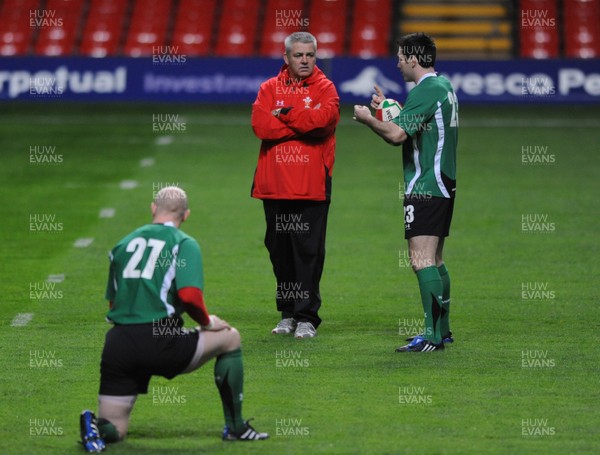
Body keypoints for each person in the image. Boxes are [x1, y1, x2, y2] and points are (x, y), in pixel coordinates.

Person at [79, 187, 268, 453]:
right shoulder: (183, 243)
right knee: (231, 338)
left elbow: (114, 303)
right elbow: (190, 296)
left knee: (116, 430)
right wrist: (207, 322)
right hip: (161, 340)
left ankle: (94, 425)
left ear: (153, 208)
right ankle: (236, 427)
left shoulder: (121, 245)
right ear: (186, 215)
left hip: (118, 344)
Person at [353, 33, 458, 353]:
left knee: (420, 259)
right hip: (442, 183)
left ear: (413, 59)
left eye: (400, 56)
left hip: (426, 186)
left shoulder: (427, 90)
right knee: (435, 259)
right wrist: (393, 108)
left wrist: (369, 119)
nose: (397, 61)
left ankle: (431, 336)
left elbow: (398, 135)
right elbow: (413, 125)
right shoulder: (441, 86)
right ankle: (443, 330)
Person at [250, 31, 340, 339]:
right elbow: (262, 126)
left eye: (310, 55)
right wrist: (302, 123)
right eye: (298, 55)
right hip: (273, 186)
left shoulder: (326, 88)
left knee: (308, 252)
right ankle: (287, 313)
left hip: (311, 186)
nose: (305, 60)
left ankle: (306, 317)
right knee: (280, 252)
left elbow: (323, 123)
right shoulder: (268, 88)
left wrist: (286, 114)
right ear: (286, 58)